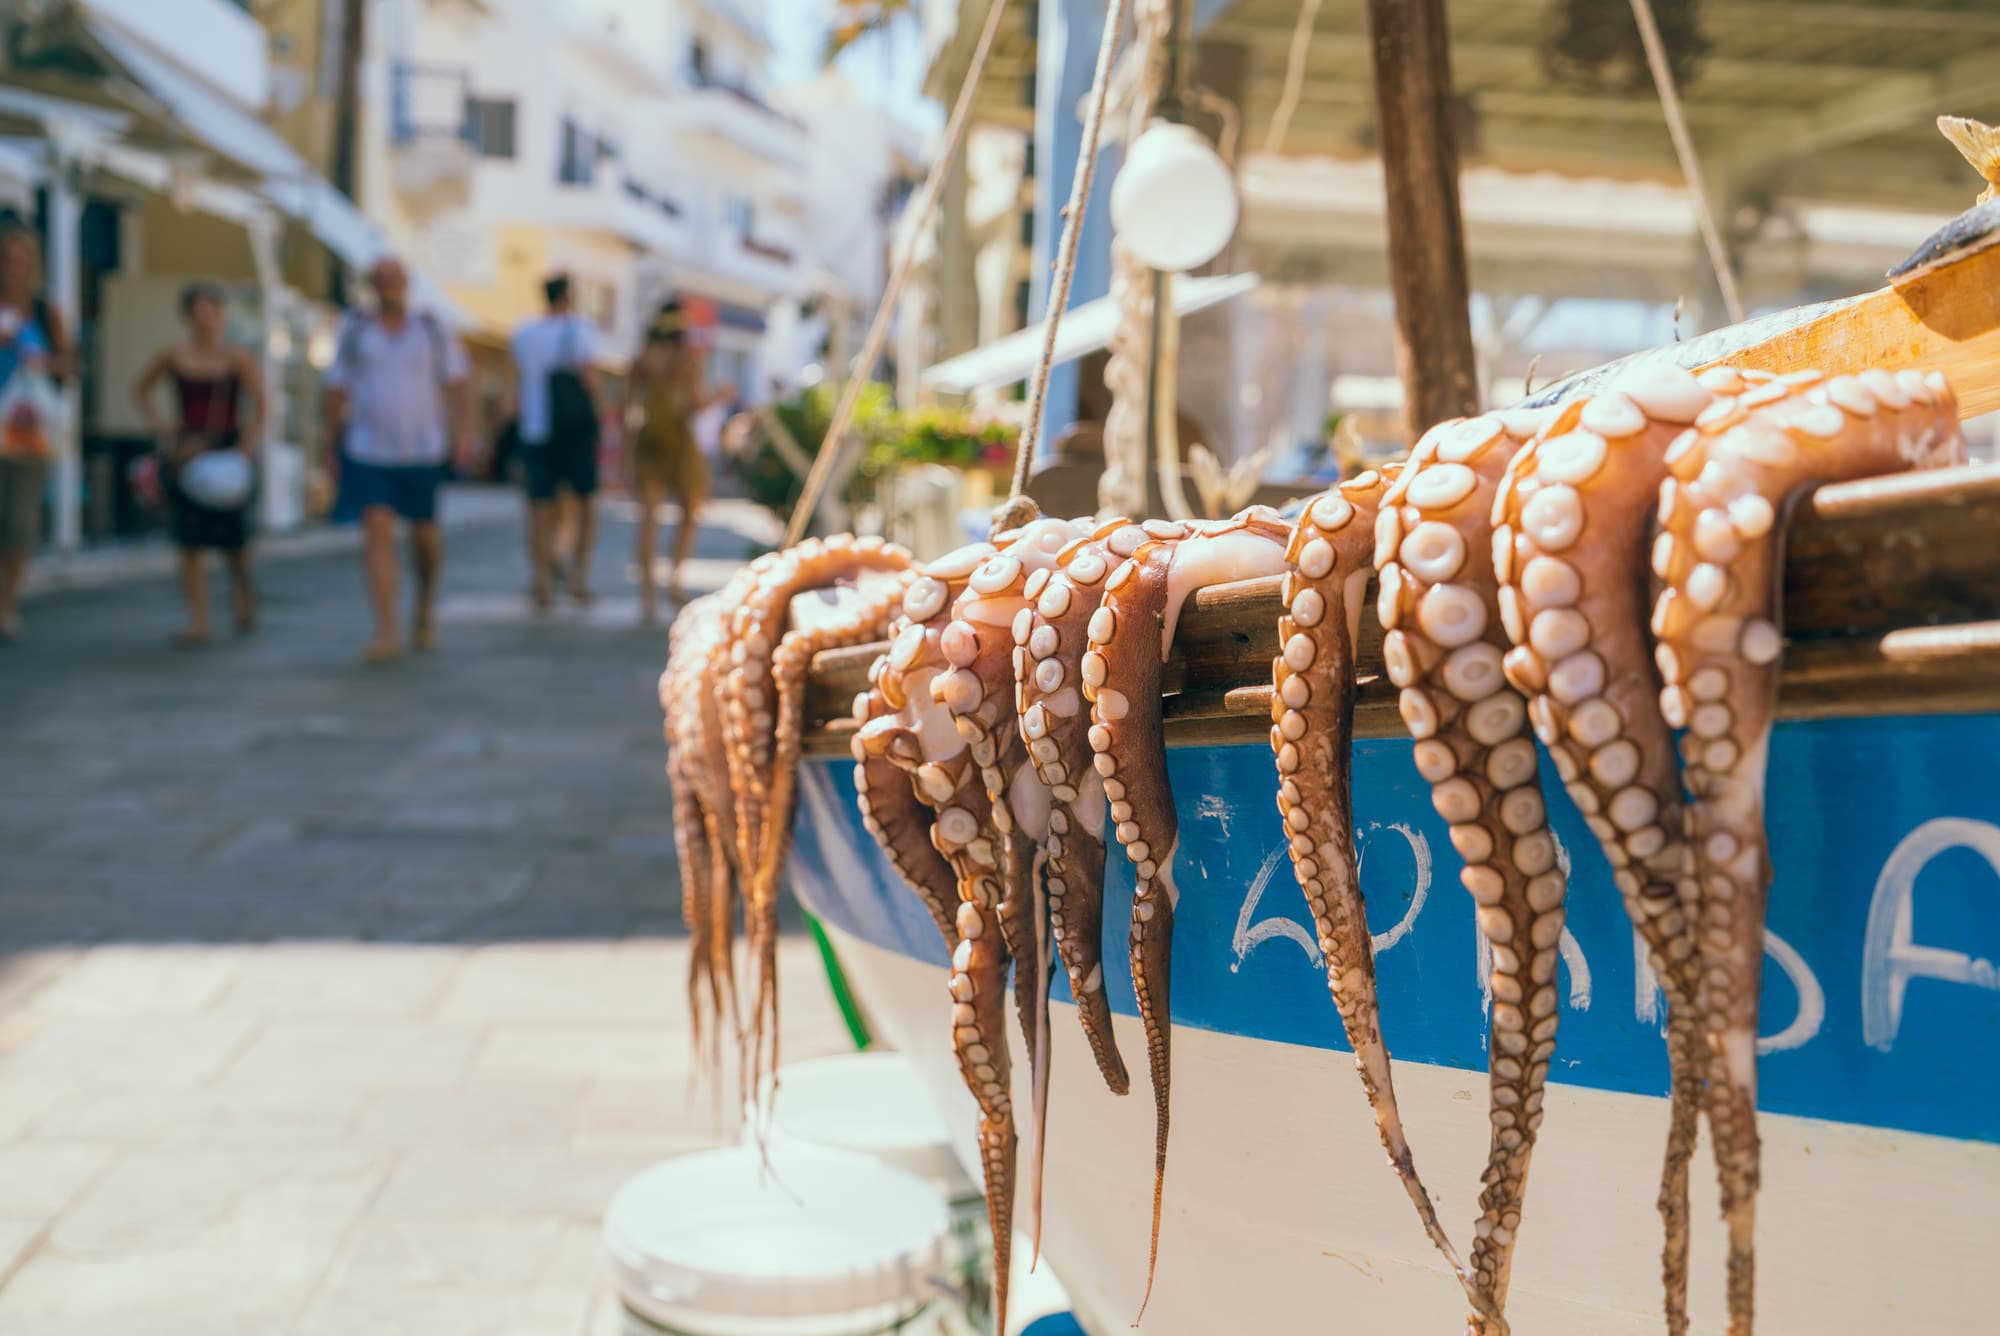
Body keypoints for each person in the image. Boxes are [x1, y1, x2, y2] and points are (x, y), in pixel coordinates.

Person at [324, 256, 475, 662]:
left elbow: (459, 383)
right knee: (376, 529)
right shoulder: (355, 328)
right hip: (368, 448)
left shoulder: (432, 327)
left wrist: (465, 435)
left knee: (425, 539)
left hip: (422, 449)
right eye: (381, 280)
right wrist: (329, 444)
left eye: (396, 279)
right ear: (372, 285)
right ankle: (386, 629)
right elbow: (337, 387)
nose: (389, 286)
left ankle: (424, 604)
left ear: (407, 284)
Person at [132, 281, 268, 646]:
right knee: (190, 541)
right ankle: (199, 620)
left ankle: (243, 596)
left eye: (211, 310)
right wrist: (163, 427)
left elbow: (262, 403)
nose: (205, 319)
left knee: (234, 541)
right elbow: (142, 388)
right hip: (188, 451)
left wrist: (246, 447)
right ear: (188, 316)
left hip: (227, 450)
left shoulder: (236, 357)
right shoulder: (174, 354)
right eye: (198, 311)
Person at [510, 274, 602, 610]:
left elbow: (517, 378)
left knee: (539, 507)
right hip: (571, 430)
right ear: (568, 296)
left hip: (535, 428)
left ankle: (541, 582)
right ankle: (578, 579)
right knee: (585, 505)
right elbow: (589, 378)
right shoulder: (577, 330)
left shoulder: (523, 332)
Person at [0, 222, 72, 643]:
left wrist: (39, 359)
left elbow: (71, 366)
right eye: (9, 257)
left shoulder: (46, 312)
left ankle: (7, 602)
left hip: (26, 431)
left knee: (19, 520)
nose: (16, 266)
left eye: (23, 258)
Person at [625, 299, 712, 622]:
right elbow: (695, 404)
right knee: (689, 511)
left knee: (648, 521)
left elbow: (626, 409)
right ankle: (673, 581)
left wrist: (622, 457)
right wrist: (722, 397)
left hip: (649, 439)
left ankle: (648, 596)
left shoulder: (642, 360)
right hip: (678, 440)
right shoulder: (687, 358)